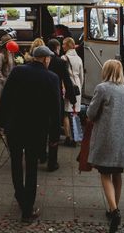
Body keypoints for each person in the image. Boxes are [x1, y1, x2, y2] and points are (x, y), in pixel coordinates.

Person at [0, 45, 60, 223]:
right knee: (31, 167)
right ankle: (27, 209)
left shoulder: (18, 72)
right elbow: (55, 111)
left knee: (16, 163)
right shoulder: (52, 78)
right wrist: (54, 137)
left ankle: (20, 195)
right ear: (46, 59)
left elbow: (6, 98)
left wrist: (2, 123)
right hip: (37, 131)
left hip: (15, 128)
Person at [87, 59, 124, 233]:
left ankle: (114, 211)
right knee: (117, 174)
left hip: (106, 138)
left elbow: (91, 113)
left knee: (105, 173)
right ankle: (112, 208)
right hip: (123, 139)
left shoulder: (102, 88)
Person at [44, 38, 76, 170]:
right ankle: (52, 161)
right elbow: (67, 82)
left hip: (41, 100)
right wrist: (73, 99)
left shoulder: (42, 61)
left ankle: (41, 154)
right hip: (56, 100)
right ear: (57, 48)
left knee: (42, 128)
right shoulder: (60, 63)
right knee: (54, 130)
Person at [62, 36, 84, 146]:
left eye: (64, 44)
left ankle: (68, 137)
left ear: (68, 45)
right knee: (75, 112)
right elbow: (81, 76)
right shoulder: (79, 58)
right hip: (77, 86)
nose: (62, 46)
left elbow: (63, 75)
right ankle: (76, 137)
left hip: (67, 86)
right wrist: (80, 86)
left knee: (66, 112)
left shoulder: (64, 58)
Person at [0, 34, 16, 111]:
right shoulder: (1, 55)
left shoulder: (12, 53)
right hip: (4, 83)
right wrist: (3, 80)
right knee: (3, 104)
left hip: (11, 82)